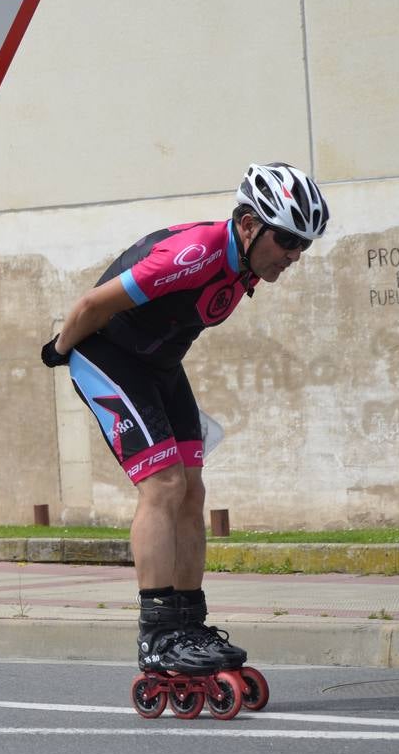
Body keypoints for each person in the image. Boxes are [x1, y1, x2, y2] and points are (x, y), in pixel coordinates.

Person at [41, 162, 328, 708]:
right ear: (248, 225)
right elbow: (90, 305)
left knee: (194, 491)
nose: (293, 256)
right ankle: (157, 637)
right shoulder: (192, 254)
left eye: (303, 246)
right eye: (287, 240)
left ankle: (188, 627)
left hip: (160, 366)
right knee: (165, 486)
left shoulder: (245, 264)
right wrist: (58, 351)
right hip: (107, 356)